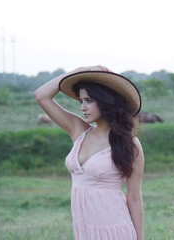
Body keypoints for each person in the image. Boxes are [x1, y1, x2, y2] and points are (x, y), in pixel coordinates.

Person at [34, 65, 144, 240]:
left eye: (89, 100)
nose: (82, 107)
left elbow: (134, 197)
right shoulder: (78, 131)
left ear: (106, 101)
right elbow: (41, 96)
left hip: (116, 231)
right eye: (81, 101)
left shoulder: (130, 144)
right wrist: (80, 70)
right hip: (84, 231)